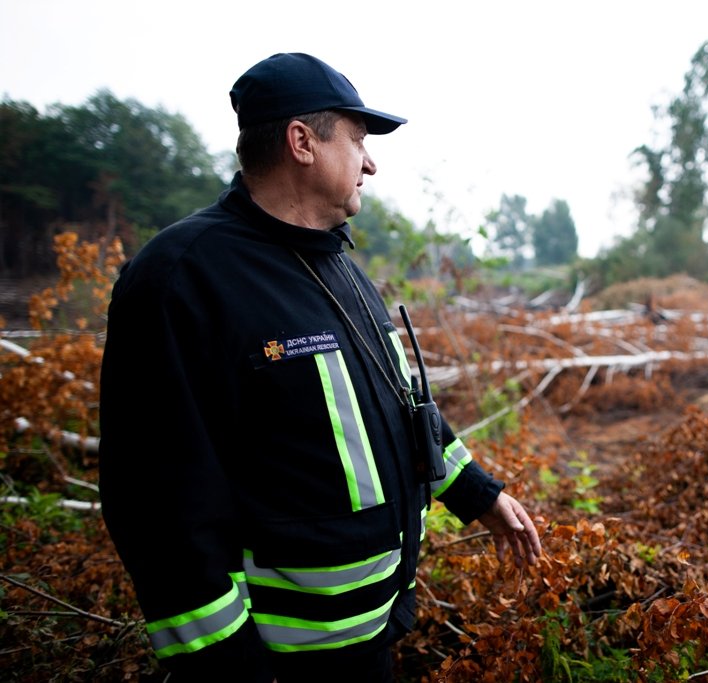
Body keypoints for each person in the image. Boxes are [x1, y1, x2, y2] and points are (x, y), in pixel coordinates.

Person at [98, 52, 542, 683]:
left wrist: (476, 494)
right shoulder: (180, 280)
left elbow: (403, 404)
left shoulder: (339, 267)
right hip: (277, 664)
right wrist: (227, 667)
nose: (371, 163)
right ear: (302, 142)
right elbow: (156, 502)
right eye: (358, 141)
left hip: (373, 635)